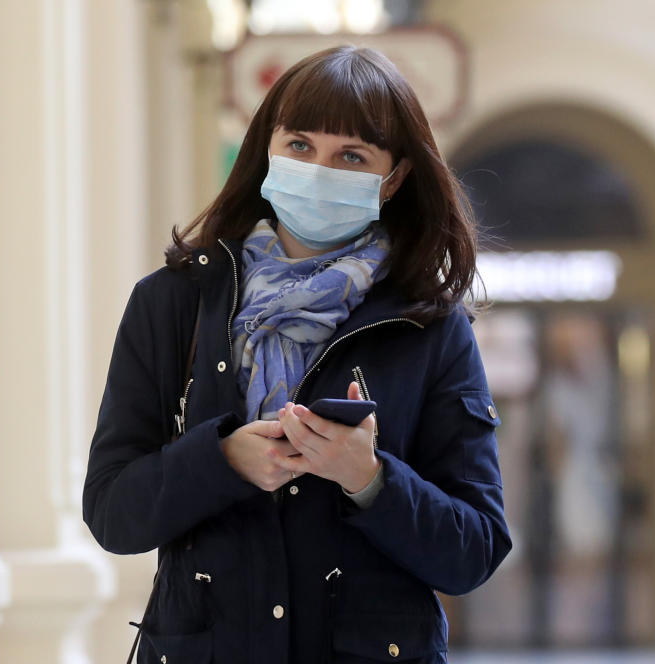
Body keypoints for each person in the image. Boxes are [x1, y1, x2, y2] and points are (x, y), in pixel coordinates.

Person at [83, 45, 511, 664]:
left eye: (352, 157)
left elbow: (474, 550)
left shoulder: (430, 327)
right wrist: (221, 460)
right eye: (301, 146)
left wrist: (369, 479)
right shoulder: (172, 304)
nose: (318, 170)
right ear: (267, 151)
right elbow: (112, 513)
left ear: (392, 180)